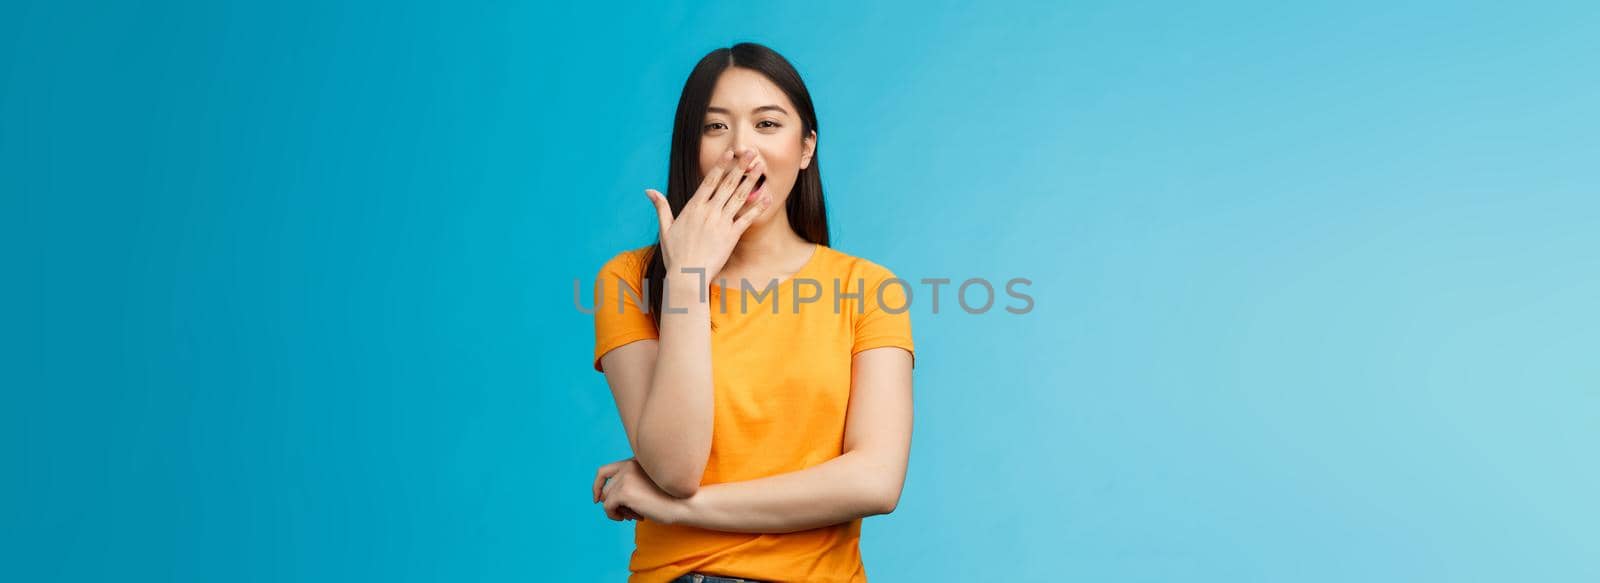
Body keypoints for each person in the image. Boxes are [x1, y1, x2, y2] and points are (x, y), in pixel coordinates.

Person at [590, 42, 915, 583]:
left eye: (767, 124)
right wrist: (689, 280)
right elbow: (674, 467)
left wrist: (677, 510)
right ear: (689, 147)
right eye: (715, 128)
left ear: (806, 146)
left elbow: (875, 482)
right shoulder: (628, 280)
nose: (741, 150)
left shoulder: (869, 288)